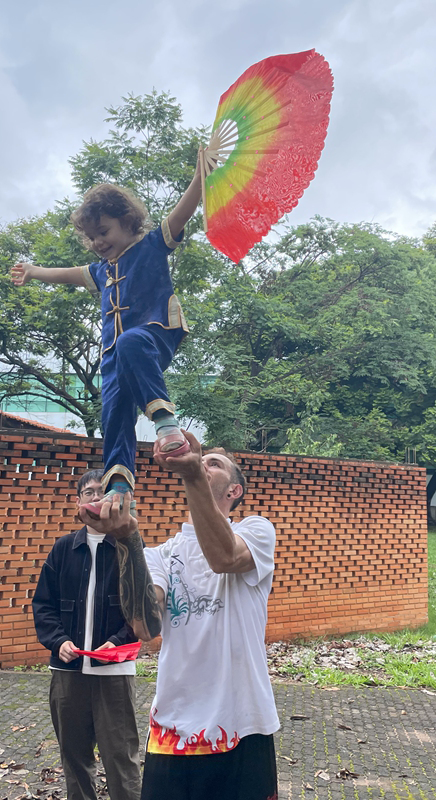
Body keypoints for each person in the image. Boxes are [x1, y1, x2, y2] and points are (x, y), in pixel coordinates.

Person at [78, 432, 279, 800]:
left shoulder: (256, 531)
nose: (203, 462)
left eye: (214, 463)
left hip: (245, 725)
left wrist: (191, 474)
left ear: (234, 491)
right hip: (173, 732)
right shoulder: (160, 555)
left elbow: (225, 558)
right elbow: (145, 626)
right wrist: (127, 541)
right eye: (201, 460)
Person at [11, 161, 203, 515]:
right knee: (112, 412)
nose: (98, 242)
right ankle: (118, 491)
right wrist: (35, 271)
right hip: (114, 355)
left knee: (130, 341)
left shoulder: (151, 245)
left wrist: (199, 178)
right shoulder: (102, 270)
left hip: (153, 336)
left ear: (128, 222)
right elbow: (68, 274)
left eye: (104, 231)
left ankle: (166, 425)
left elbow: (182, 213)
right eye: (92, 237)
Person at [32, 469, 142, 800]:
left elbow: (142, 610)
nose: (96, 498)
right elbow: (43, 606)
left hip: (114, 672)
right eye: (89, 493)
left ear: (117, 500)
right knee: (74, 757)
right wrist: (59, 640)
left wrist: (118, 641)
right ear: (78, 502)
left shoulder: (129, 549)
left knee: (121, 758)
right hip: (68, 674)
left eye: (103, 492)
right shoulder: (63, 549)